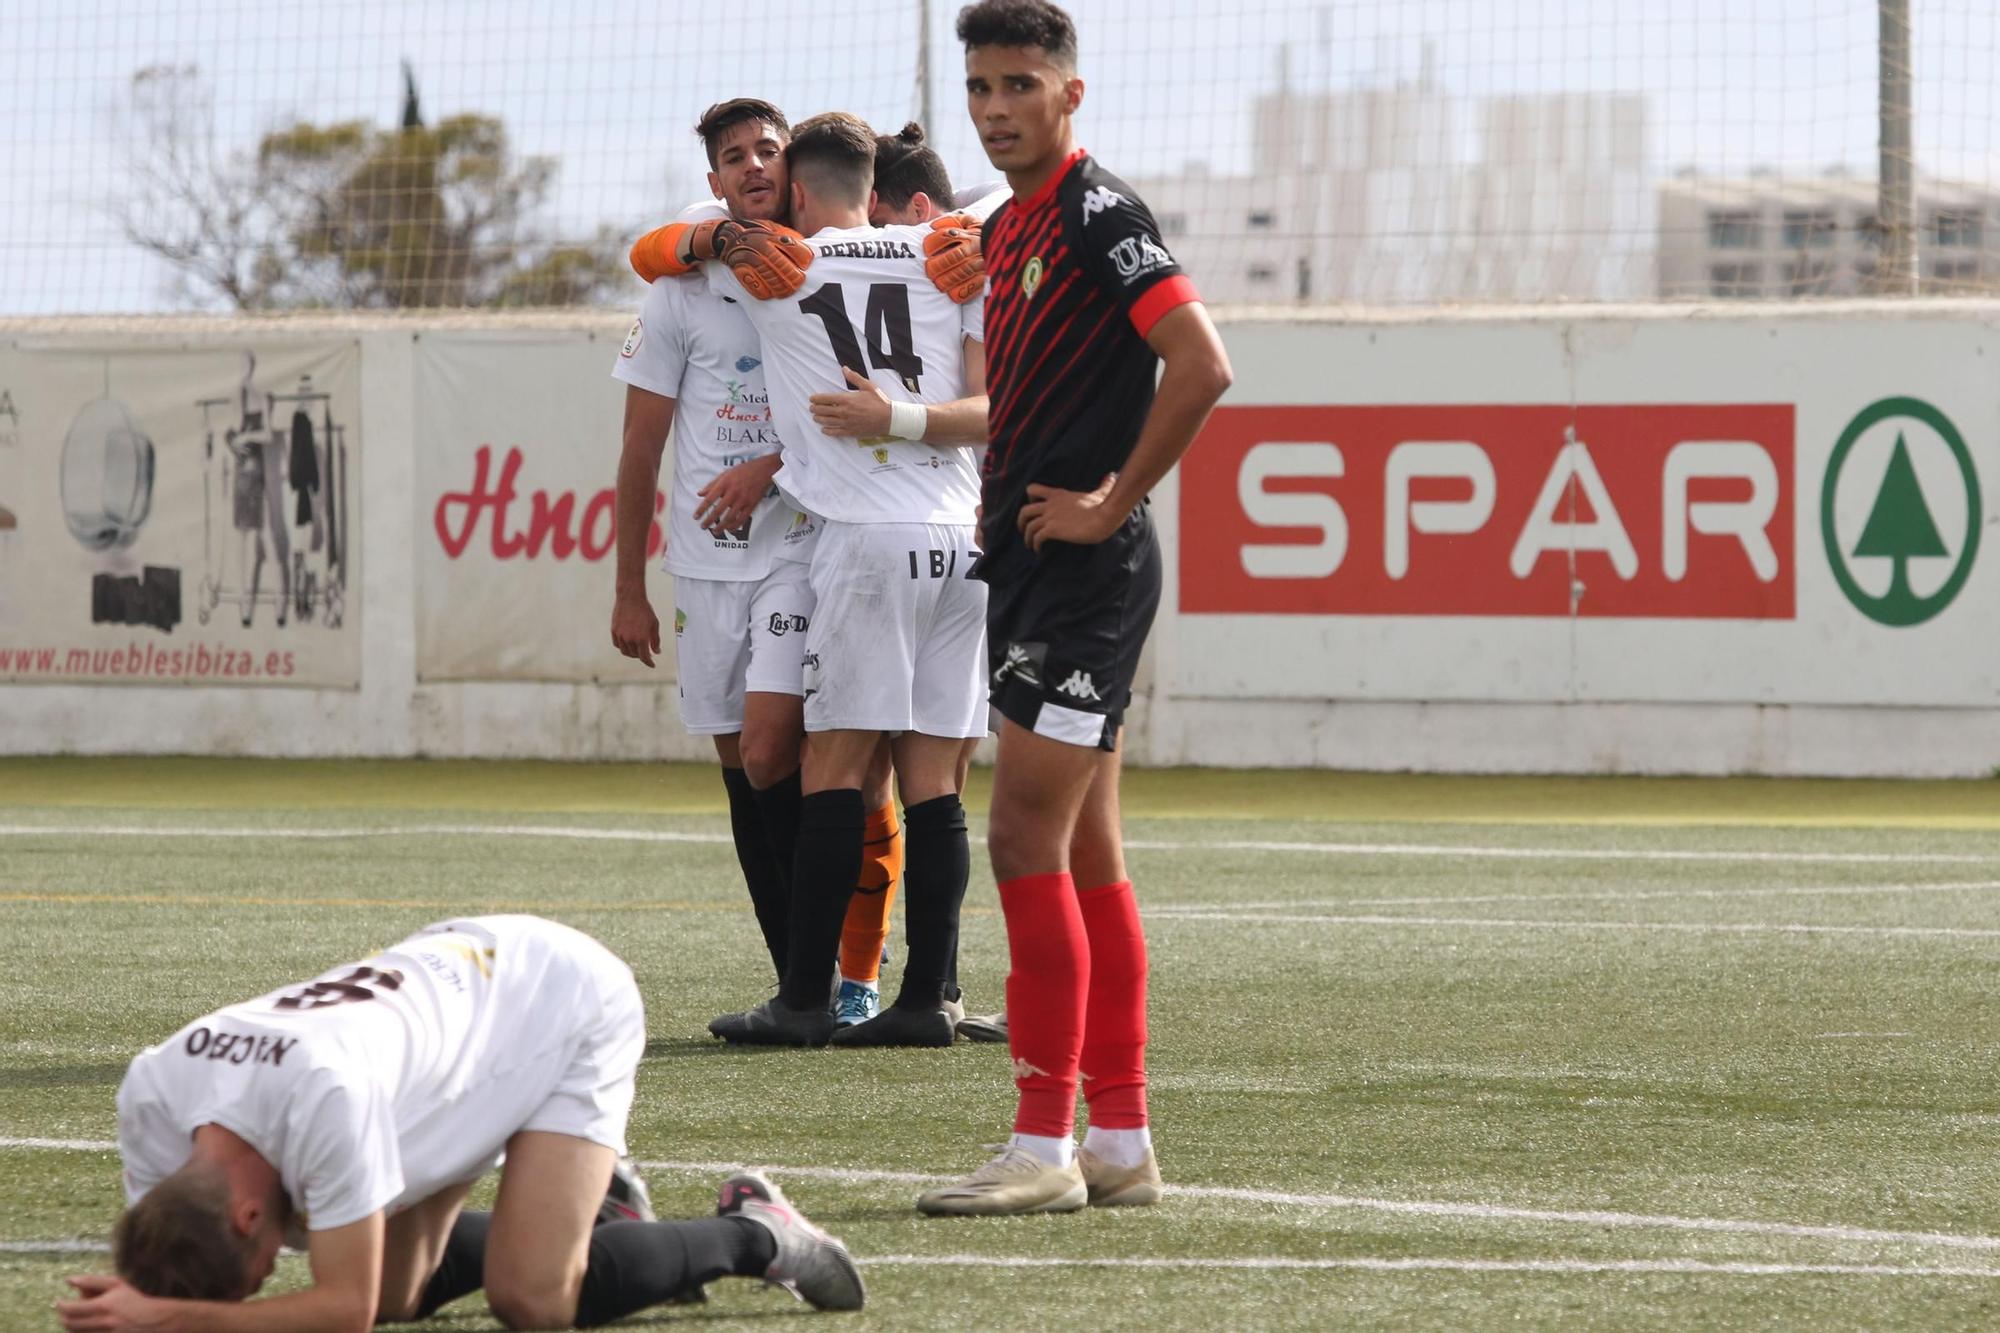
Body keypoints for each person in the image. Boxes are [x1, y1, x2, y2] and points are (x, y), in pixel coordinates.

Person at [915, 0, 1233, 1217]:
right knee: (1088, 851)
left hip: (1085, 575)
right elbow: (1026, 395)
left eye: (1017, 86)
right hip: (1034, 565)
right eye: (981, 89)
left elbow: (1202, 362)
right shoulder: (1012, 225)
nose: (996, 108)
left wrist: (1110, 500)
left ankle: (1042, 1141)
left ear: (1068, 94)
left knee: (1019, 842)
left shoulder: (1099, 211)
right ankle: (1117, 1141)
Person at [55, 915, 863, 1331]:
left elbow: (343, 1310)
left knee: (535, 1299)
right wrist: (143, 1292)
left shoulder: (323, 1099)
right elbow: (180, 1252)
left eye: (260, 1260)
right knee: (405, 1294)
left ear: (246, 1213)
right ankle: (594, 1211)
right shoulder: (153, 1090)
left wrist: (168, 1317)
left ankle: (756, 1231)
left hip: (559, 1001)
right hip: (455, 1004)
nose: (270, 1271)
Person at [672, 113, 992, 1049]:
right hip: (959, 539)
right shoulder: (948, 253)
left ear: (800, 194)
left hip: (863, 539)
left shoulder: (781, 265)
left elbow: (653, 253)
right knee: (934, 779)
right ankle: (928, 997)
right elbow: (989, 406)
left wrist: (720, 234)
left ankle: (804, 999)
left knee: (835, 769)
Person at [609, 98, 905, 1031]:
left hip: (810, 548)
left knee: (818, 758)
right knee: (746, 770)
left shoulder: (833, 265)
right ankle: (800, 975)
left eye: (766, 150)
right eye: (732, 156)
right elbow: (638, 452)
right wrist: (629, 589)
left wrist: (768, 466)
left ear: (792, 166)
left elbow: (876, 397)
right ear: (714, 183)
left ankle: (845, 975)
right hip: (705, 567)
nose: (751, 165)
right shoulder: (681, 287)